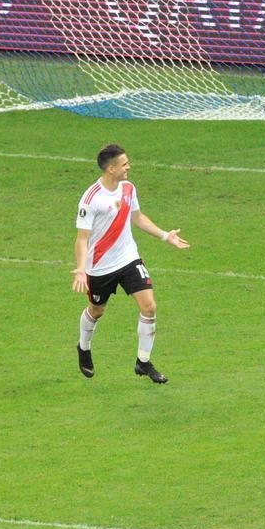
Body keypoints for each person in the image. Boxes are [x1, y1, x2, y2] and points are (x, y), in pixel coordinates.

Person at [72, 144, 190, 384]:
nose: (129, 167)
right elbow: (82, 238)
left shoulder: (128, 188)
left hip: (128, 259)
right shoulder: (91, 198)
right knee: (97, 311)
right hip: (100, 267)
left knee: (149, 307)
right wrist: (81, 270)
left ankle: (143, 363)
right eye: (125, 164)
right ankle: (84, 348)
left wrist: (166, 236)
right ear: (111, 168)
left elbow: (137, 217)